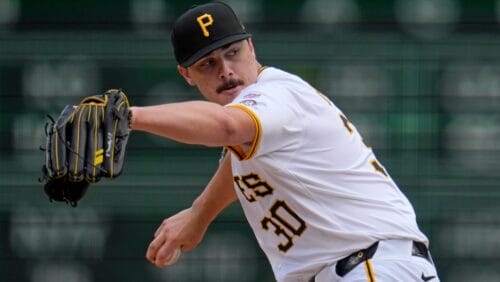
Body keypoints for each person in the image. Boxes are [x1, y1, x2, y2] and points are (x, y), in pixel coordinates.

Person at [134, 2, 440, 281]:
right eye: (208, 64)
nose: (226, 71)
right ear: (186, 74)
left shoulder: (275, 95)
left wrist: (130, 116)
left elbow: (226, 127)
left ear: (250, 47)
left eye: (232, 52)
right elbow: (238, 155)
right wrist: (199, 214)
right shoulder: (263, 121)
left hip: (368, 266)